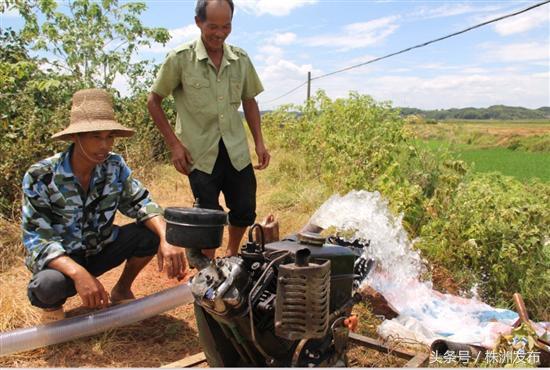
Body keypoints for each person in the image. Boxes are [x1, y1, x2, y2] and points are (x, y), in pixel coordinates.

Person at [22, 88, 188, 323]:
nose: (105, 145)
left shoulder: (114, 165)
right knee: (47, 285)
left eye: (109, 136)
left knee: (149, 234)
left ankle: (121, 289)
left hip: (100, 248)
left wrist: (166, 237)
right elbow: (37, 240)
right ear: (74, 137)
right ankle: (53, 311)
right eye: (96, 137)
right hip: (65, 260)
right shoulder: (41, 175)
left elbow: (140, 202)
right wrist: (78, 273)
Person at [147, 0, 270, 261]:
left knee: (245, 208)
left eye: (226, 26)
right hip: (199, 151)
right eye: (212, 26)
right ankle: (209, 266)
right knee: (208, 214)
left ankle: (232, 255)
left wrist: (259, 142)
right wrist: (175, 145)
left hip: (235, 148)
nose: (220, 33)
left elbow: (249, 101)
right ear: (198, 22)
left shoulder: (240, 59)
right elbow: (153, 100)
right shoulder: (180, 58)